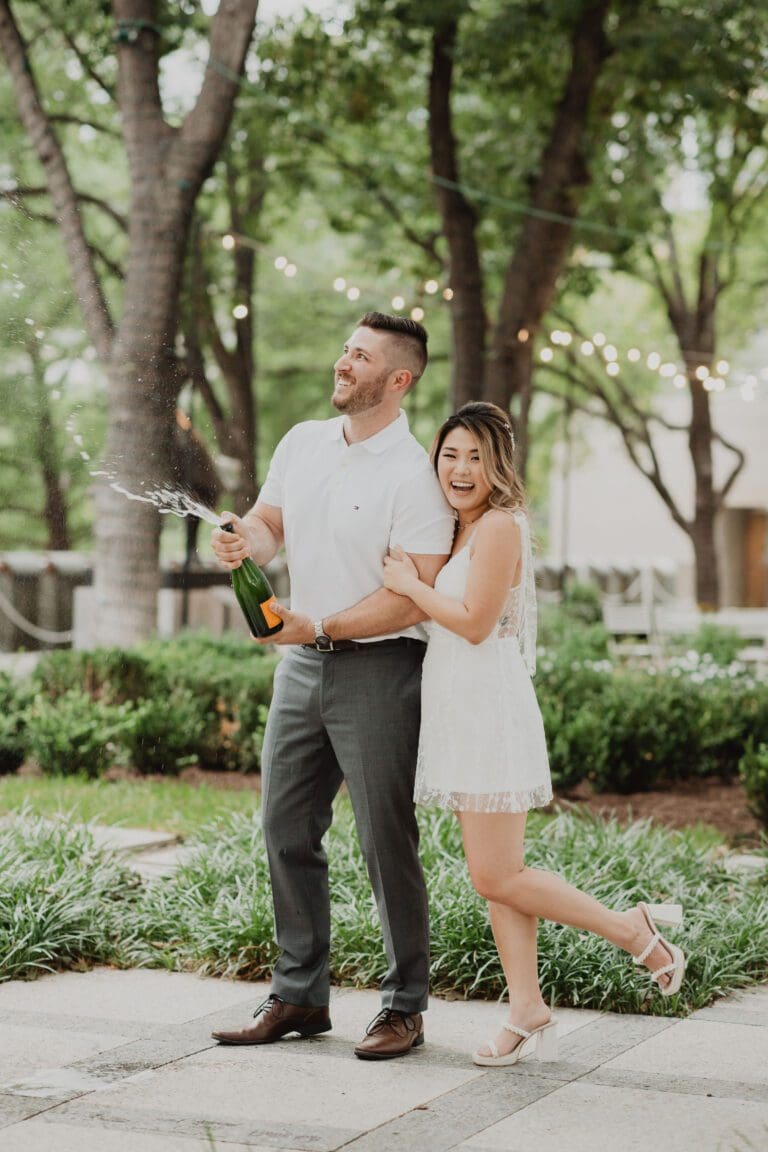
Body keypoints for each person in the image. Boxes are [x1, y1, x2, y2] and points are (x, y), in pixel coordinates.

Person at [382, 401, 686, 1067]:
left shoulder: (497, 527)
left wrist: (407, 582)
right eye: (450, 454)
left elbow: (473, 623)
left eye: (476, 457)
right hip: (461, 709)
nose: (460, 469)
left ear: (499, 466)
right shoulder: (460, 528)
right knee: (500, 875)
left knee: (495, 873)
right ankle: (526, 1005)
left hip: (488, 711)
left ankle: (629, 930)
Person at [209, 312, 454, 1060]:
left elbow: (413, 597)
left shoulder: (419, 475)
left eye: (362, 356)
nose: (344, 363)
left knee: (386, 841)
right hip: (301, 668)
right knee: (285, 829)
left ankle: (404, 1007)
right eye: (345, 349)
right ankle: (298, 996)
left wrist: (315, 624)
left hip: (382, 668)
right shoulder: (303, 441)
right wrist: (243, 539)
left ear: (399, 379)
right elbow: (270, 521)